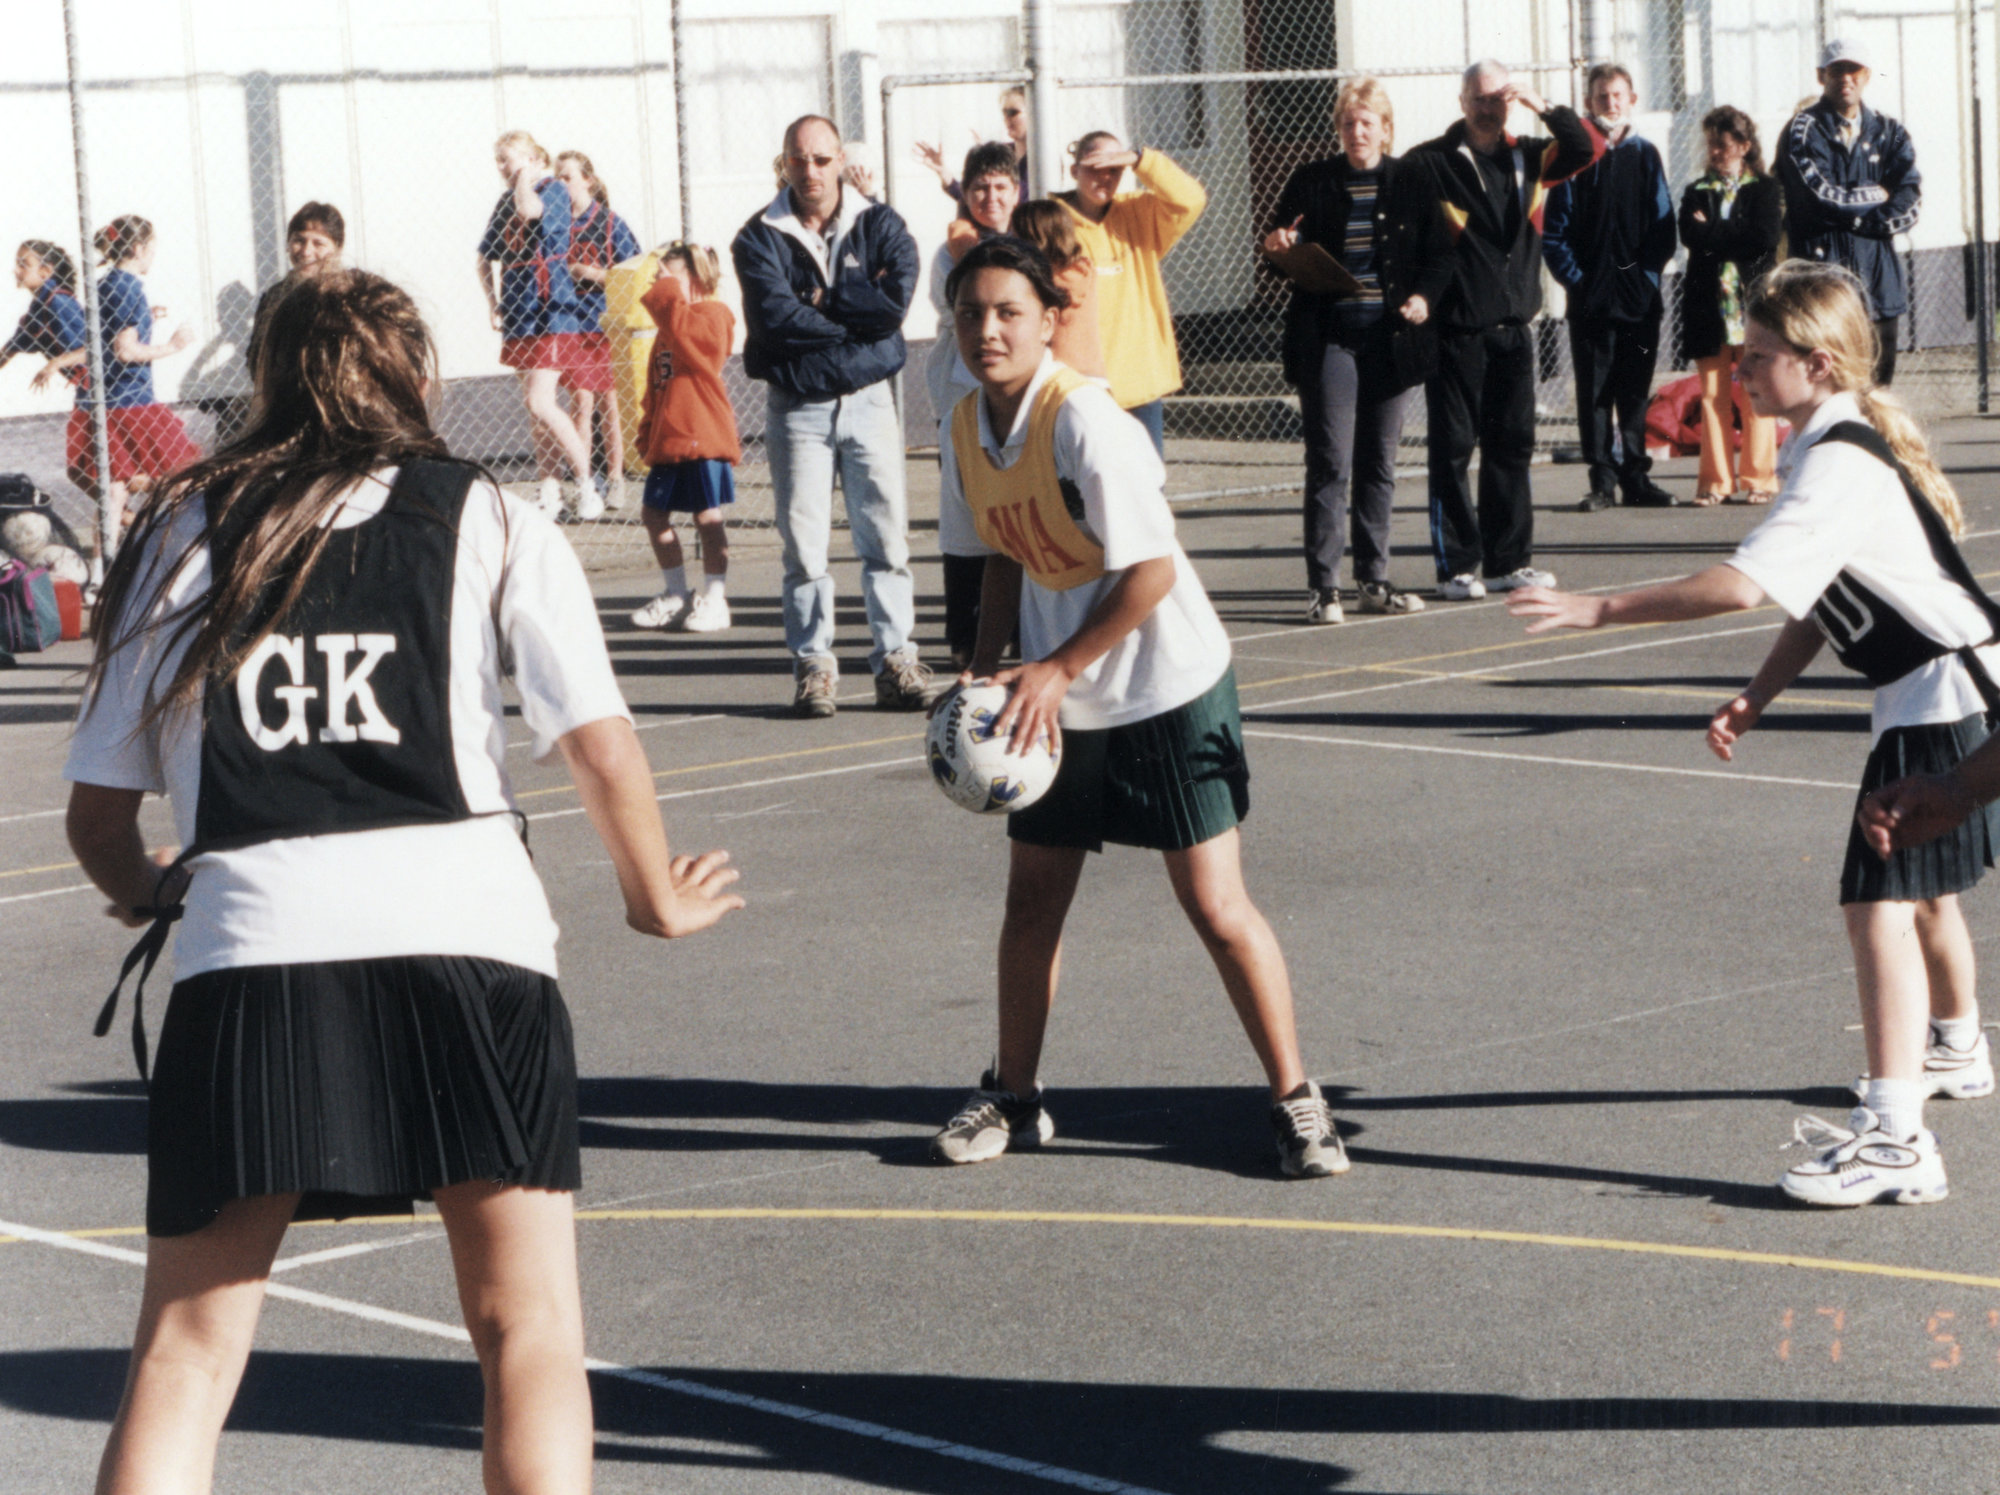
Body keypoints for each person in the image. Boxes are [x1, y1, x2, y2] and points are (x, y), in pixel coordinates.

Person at [64, 267, 742, 1491]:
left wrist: (157, 888)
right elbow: (597, 739)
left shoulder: (177, 529)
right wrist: (652, 893)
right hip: (465, 937)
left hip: (253, 949)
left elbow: (98, 817)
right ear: (417, 378)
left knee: (187, 1350)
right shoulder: (480, 512)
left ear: (264, 382)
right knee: (524, 1327)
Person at [1508, 261, 1995, 1207]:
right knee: (1921, 895)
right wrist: (1758, 694)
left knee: (1878, 903)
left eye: (1760, 355)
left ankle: (1898, 1137)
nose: (1739, 371)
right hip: (1938, 684)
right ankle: (1959, 1046)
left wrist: (1597, 607)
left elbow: (1742, 584)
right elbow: (1819, 599)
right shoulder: (1828, 445)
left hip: (1941, 688)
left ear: (1816, 364)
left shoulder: (1841, 458)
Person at [930, 236, 1346, 1180]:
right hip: (1055, 696)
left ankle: (1296, 1100)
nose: (986, 329)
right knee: (1032, 900)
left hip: (1163, 683)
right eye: (969, 313)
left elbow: (1151, 570)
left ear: (1048, 321)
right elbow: (998, 553)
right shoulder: (963, 430)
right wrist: (984, 671)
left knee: (1214, 902)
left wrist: (1056, 666)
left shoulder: (1086, 423)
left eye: (1006, 312)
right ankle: (1015, 1094)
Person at [731, 114, 928, 719]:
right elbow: (775, 321)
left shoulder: (883, 224)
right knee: (804, 546)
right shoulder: (758, 237)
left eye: (821, 159)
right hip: (799, 407)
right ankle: (814, 665)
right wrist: (852, 313)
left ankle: (896, 659)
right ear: (783, 164)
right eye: (798, 160)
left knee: (886, 537)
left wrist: (820, 301)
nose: (810, 171)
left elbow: (892, 307)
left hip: (870, 401)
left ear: (842, 160)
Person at [1406, 60, 1602, 600]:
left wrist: (1545, 105)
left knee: (1511, 446)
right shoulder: (1433, 162)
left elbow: (1587, 149)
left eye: (1498, 98)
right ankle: (1457, 567)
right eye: (1479, 99)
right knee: (1453, 449)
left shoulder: (1531, 156)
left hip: (1516, 328)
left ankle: (1508, 561)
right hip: (1457, 331)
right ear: (1462, 102)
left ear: (1509, 102)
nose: (1488, 108)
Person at [1260, 76, 1448, 624]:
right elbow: (1281, 246)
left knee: (1378, 463)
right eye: (1348, 122)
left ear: (1386, 130)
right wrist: (1277, 248)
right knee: (1330, 461)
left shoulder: (1411, 180)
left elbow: (1440, 257)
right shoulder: (1312, 181)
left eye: (1367, 123)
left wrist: (1421, 299)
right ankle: (1324, 587)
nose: (1357, 131)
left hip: (1388, 340)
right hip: (1331, 338)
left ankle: (1373, 578)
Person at [1541, 63, 1678, 512]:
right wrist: (1581, 283)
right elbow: (1554, 232)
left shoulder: (1646, 155)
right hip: (1592, 303)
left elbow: (1663, 227)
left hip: (1639, 301)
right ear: (1589, 103)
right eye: (1602, 97)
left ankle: (1636, 477)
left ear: (1632, 99)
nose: (1610, 103)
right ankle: (1601, 481)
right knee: (1595, 392)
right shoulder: (1577, 156)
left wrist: (1645, 278)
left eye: (1618, 95)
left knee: (1635, 388)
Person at [926, 141, 1022, 670]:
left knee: (1022, 516)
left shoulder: (1030, 240)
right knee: (966, 522)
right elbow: (953, 305)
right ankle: (965, 636)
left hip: (1020, 403)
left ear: (1017, 190)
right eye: (980, 187)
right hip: (964, 400)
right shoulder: (951, 252)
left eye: (1000, 186)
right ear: (966, 193)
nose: (991, 196)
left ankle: (1026, 632)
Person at [1775, 38, 1920, 387]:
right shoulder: (1802, 130)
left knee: (1877, 392)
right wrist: (1876, 196)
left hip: (1878, 286)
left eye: (1853, 69)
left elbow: (1910, 198)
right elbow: (1820, 197)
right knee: (1829, 390)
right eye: (1837, 69)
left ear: (1867, 75)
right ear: (1821, 75)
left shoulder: (1890, 132)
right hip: (1823, 285)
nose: (1846, 78)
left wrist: (1863, 216)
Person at [1054, 131, 1207, 455]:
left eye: (1114, 168)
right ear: (1073, 171)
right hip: (1082, 383)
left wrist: (1140, 160)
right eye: (1095, 166)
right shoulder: (1053, 221)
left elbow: (1191, 198)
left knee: (1147, 487)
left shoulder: (1138, 213)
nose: (1104, 177)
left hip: (1138, 382)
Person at [477, 130, 601, 521]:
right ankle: (550, 490)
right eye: (497, 160)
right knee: (535, 412)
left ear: (532, 158)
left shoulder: (550, 191)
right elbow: (484, 257)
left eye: (507, 158)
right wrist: (493, 301)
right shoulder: (503, 201)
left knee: (541, 401)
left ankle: (586, 484)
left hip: (550, 310)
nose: (501, 167)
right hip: (518, 312)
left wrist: (525, 177)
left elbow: (530, 212)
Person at [70, 216, 202, 541]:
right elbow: (126, 351)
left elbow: (112, 330)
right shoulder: (130, 288)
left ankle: (102, 576)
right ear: (140, 248)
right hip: (134, 402)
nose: (152, 257)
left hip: (105, 403)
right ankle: (188, 548)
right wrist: (173, 346)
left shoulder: (105, 284)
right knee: (186, 478)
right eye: (152, 249)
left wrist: (145, 315)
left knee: (113, 494)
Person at [630, 242, 740, 634]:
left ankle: (715, 597)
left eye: (668, 278)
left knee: (707, 516)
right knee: (653, 514)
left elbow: (700, 347)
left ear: (693, 279)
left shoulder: (713, 315)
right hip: (670, 439)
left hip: (701, 434)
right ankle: (676, 593)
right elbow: (654, 389)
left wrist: (670, 295)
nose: (659, 286)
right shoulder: (669, 326)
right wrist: (648, 433)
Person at [1678, 106, 1783, 506]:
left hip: (1752, 307)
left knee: (1757, 393)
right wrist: (1723, 235)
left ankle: (1759, 477)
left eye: (1722, 144)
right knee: (1712, 394)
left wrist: (1714, 232)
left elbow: (1763, 239)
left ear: (1743, 146)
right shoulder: (1696, 191)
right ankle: (1714, 482)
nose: (1715, 152)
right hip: (1710, 309)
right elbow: (1691, 236)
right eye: (1711, 144)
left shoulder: (1765, 190)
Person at [555, 150, 642, 512]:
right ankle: (585, 479)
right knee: (580, 404)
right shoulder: (555, 224)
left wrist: (590, 273)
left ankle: (617, 478)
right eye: (556, 178)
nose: (561, 185)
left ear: (587, 180)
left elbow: (633, 271)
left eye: (567, 177)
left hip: (601, 323)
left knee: (609, 404)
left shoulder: (608, 223)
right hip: (569, 323)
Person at [244, 202, 345, 381]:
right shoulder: (275, 296)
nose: (306, 251)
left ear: (337, 248)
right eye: (299, 240)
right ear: (288, 244)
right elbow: (256, 358)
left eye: (318, 243)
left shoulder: (349, 294)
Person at [914, 86, 1034, 200]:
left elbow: (1020, 198)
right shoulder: (1002, 153)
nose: (1006, 118)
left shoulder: (1045, 159)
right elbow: (975, 200)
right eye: (1004, 113)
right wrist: (944, 173)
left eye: (1013, 112)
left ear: (1033, 113)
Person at [1, 241, 87, 398]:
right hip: (89, 390)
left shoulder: (58, 303)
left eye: (23, 264)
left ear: (45, 271)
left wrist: (55, 363)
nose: (15, 270)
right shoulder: (38, 309)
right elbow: (10, 349)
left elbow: (97, 350)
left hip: (109, 386)